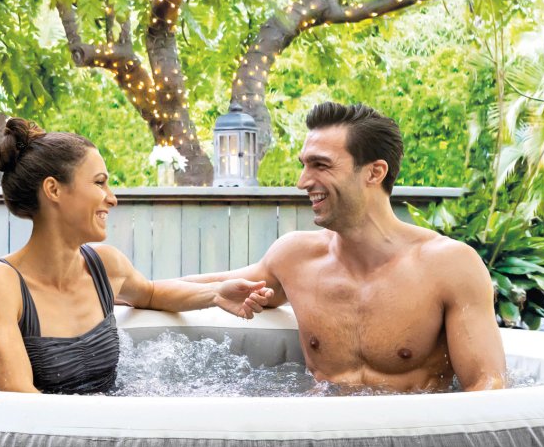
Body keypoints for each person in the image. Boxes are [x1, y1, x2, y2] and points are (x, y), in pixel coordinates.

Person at [186, 101, 507, 392]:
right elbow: (207, 287)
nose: (302, 182)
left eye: (320, 165)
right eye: (304, 165)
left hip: (407, 444)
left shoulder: (449, 265)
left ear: (374, 172)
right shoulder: (296, 258)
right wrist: (138, 289)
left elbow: (487, 385)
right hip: (320, 440)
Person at [0, 119, 271, 394]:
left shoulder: (104, 264)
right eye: (99, 182)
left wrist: (216, 294)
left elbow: (151, 293)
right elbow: (20, 398)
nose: (112, 198)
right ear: (53, 189)